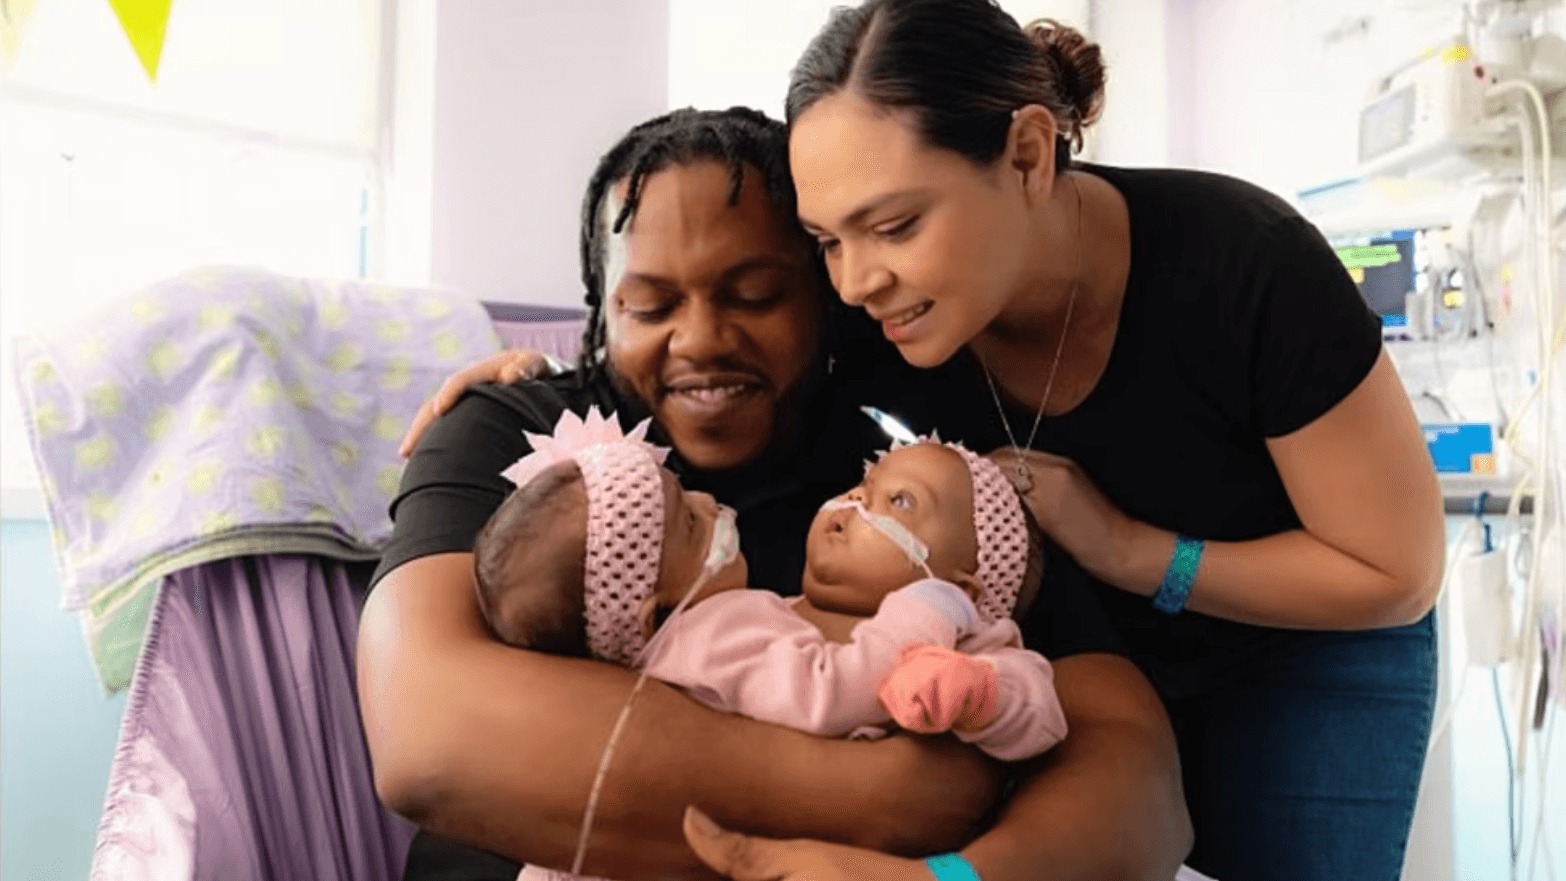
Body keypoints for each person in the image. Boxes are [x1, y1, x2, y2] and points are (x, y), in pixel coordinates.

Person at [356, 107, 1192, 881]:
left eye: (755, 295)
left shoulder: (908, 482)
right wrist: (886, 799)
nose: (702, 340)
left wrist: (948, 876)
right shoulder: (522, 439)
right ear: (602, 314)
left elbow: (1137, 772)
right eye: (649, 305)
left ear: (830, 296)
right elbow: (428, 737)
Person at [775, 2, 1445, 879]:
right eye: (828, 240)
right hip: (1087, 661)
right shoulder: (879, 317)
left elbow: (1394, 573)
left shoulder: (1246, 263)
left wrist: (1131, 550)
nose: (858, 279)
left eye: (897, 226)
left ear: (1027, 153)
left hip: (1303, 650)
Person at [478, 425, 1069, 881]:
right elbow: (826, 693)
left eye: (900, 502)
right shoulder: (719, 630)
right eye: (863, 484)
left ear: (965, 587)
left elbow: (1042, 714)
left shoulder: (965, 638)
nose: (854, 503)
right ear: (654, 614)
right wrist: (922, 615)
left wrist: (981, 696)